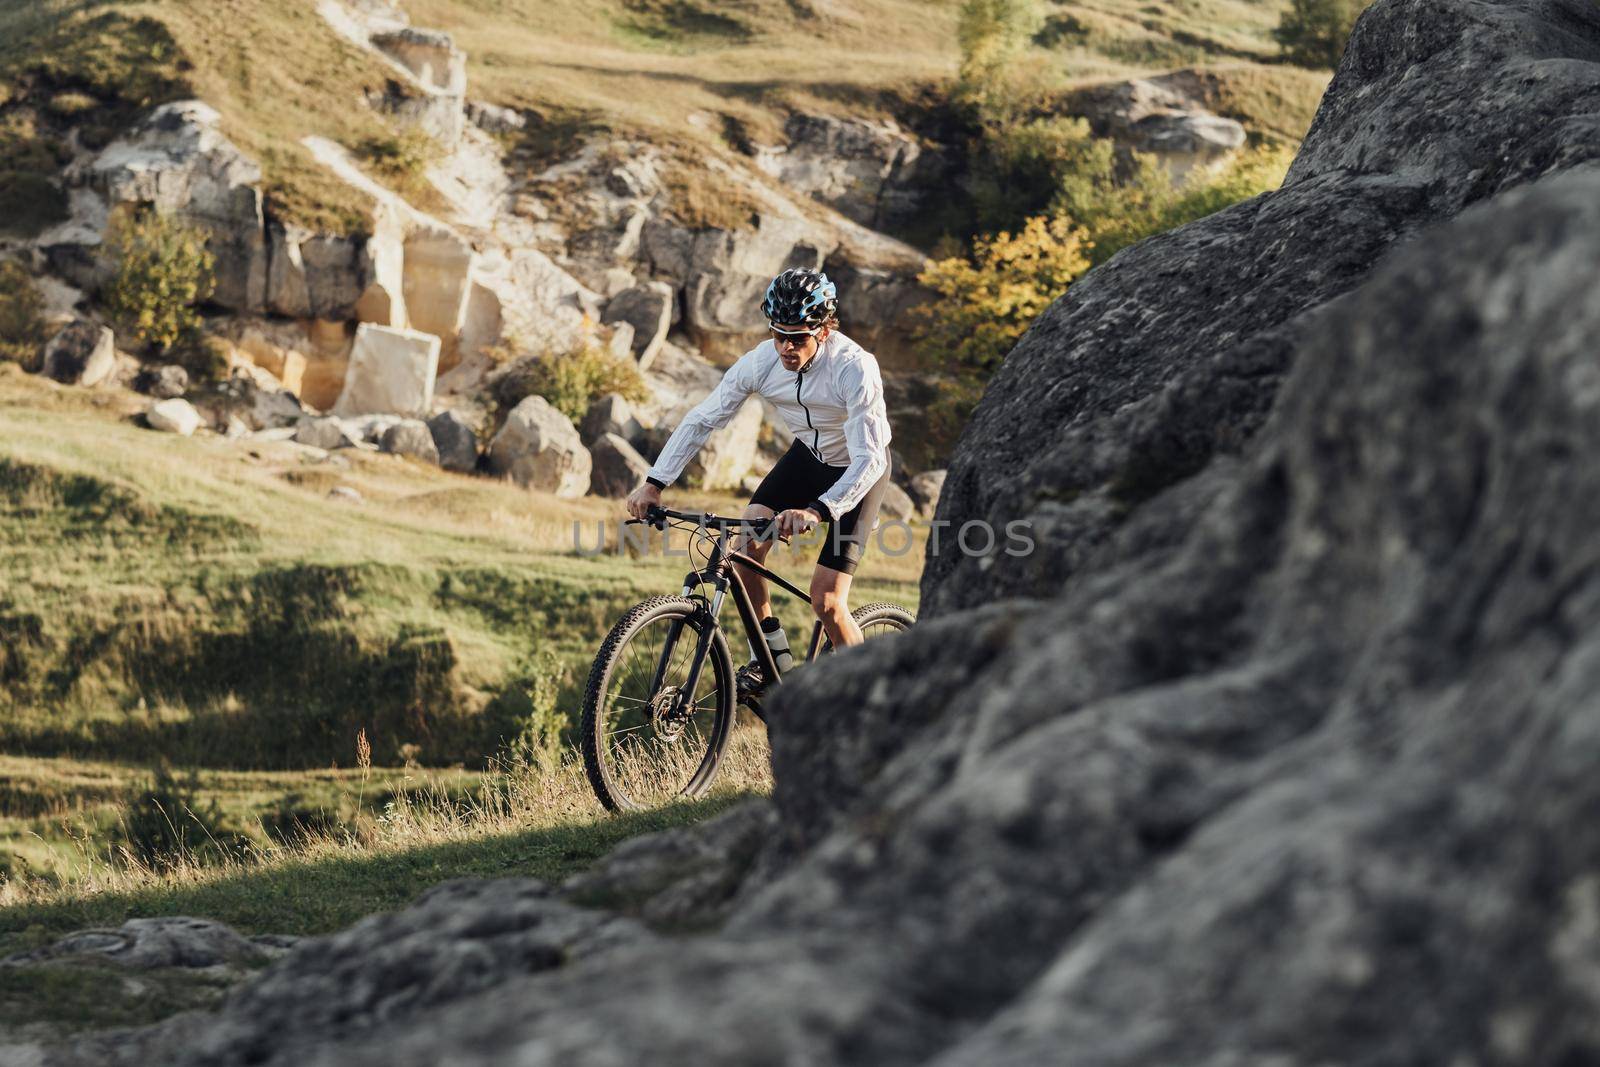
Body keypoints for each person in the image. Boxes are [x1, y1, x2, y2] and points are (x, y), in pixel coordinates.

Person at [626, 268, 893, 703]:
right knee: (745, 548)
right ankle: (772, 660)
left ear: (824, 331)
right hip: (807, 457)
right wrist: (654, 482)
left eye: (799, 338)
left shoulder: (854, 367)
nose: (787, 347)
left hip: (860, 472)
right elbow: (702, 419)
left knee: (826, 600)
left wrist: (818, 510)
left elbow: (869, 458)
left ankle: (872, 703)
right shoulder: (760, 362)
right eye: (778, 335)